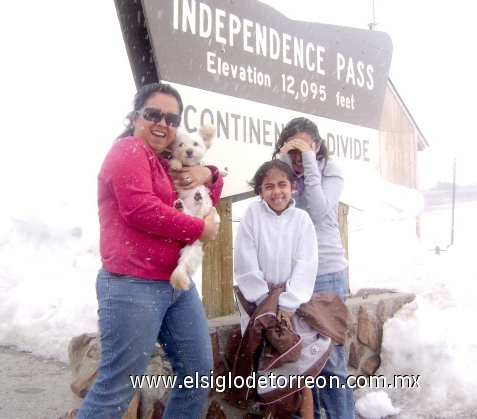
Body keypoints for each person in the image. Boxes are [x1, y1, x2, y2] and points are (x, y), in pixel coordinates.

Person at [76, 83, 223, 419]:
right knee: (117, 387)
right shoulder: (128, 150)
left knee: (197, 376)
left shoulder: (163, 162)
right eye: (153, 114)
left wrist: (209, 173)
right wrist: (201, 228)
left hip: (176, 286)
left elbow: (203, 198)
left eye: (171, 118)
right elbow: (140, 209)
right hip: (133, 283)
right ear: (135, 116)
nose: (162, 123)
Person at [273, 117, 354, 419]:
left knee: (331, 361)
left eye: (304, 148)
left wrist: (309, 162)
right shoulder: (283, 177)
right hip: (293, 280)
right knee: (299, 362)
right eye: (292, 149)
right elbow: (281, 210)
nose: (297, 157)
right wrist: (283, 162)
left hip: (325, 276)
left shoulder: (330, 170)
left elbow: (319, 210)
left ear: (317, 146)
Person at [233, 160, 319, 418]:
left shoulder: (302, 219)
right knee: (266, 368)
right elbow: (245, 262)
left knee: (300, 371)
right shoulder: (252, 214)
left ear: (293, 187)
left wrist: (288, 304)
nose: (276, 191)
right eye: (268, 186)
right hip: (258, 305)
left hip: (294, 306)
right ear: (260, 191)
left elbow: (307, 263)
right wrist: (266, 303)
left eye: (282, 184)